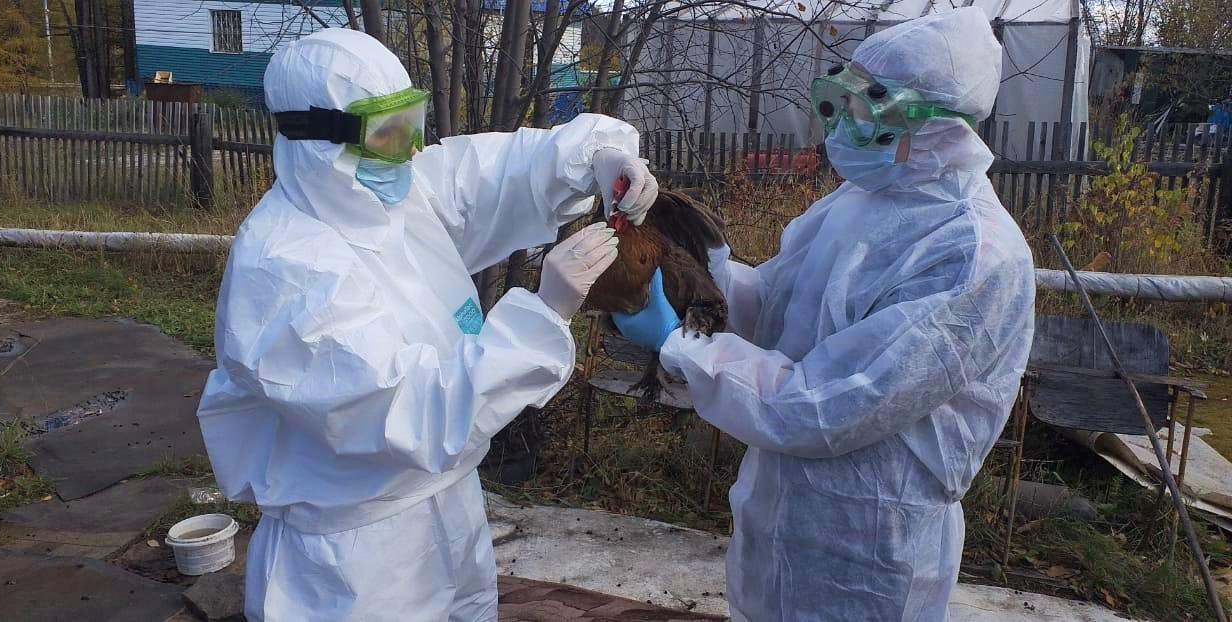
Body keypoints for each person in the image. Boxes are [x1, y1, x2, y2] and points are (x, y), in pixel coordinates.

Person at [195, 29, 657, 621]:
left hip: (448, 507)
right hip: (357, 564)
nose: (412, 150)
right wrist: (544, 315)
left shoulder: (386, 196)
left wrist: (599, 157)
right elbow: (407, 413)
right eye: (387, 132)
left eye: (410, 121)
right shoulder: (285, 268)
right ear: (318, 141)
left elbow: (497, 173)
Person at [612, 8, 1036, 621]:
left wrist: (683, 345)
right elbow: (774, 309)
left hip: (869, 550)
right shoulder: (857, 203)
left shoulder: (972, 254)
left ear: (932, 125)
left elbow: (826, 403)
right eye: (840, 103)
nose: (842, 127)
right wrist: (692, 267)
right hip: (778, 517)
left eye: (865, 111)